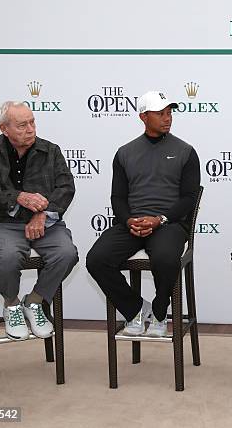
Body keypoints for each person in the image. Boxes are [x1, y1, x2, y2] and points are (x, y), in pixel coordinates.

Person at [86, 90, 200, 337]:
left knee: (166, 257)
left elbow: (189, 198)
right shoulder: (125, 153)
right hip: (133, 223)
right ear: (143, 116)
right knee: (96, 259)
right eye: (160, 113)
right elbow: (117, 197)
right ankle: (136, 309)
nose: (167, 118)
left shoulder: (186, 151)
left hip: (169, 223)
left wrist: (160, 220)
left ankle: (160, 312)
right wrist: (129, 221)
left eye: (169, 112)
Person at [0, 101, 78, 340]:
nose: (30, 129)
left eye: (32, 122)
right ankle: (12, 305)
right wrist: (19, 197)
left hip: (46, 224)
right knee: (8, 258)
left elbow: (66, 188)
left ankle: (35, 301)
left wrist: (42, 214)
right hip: (2, 224)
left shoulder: (51, 150)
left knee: (66, 253)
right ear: (4, 128)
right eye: (21, 125)